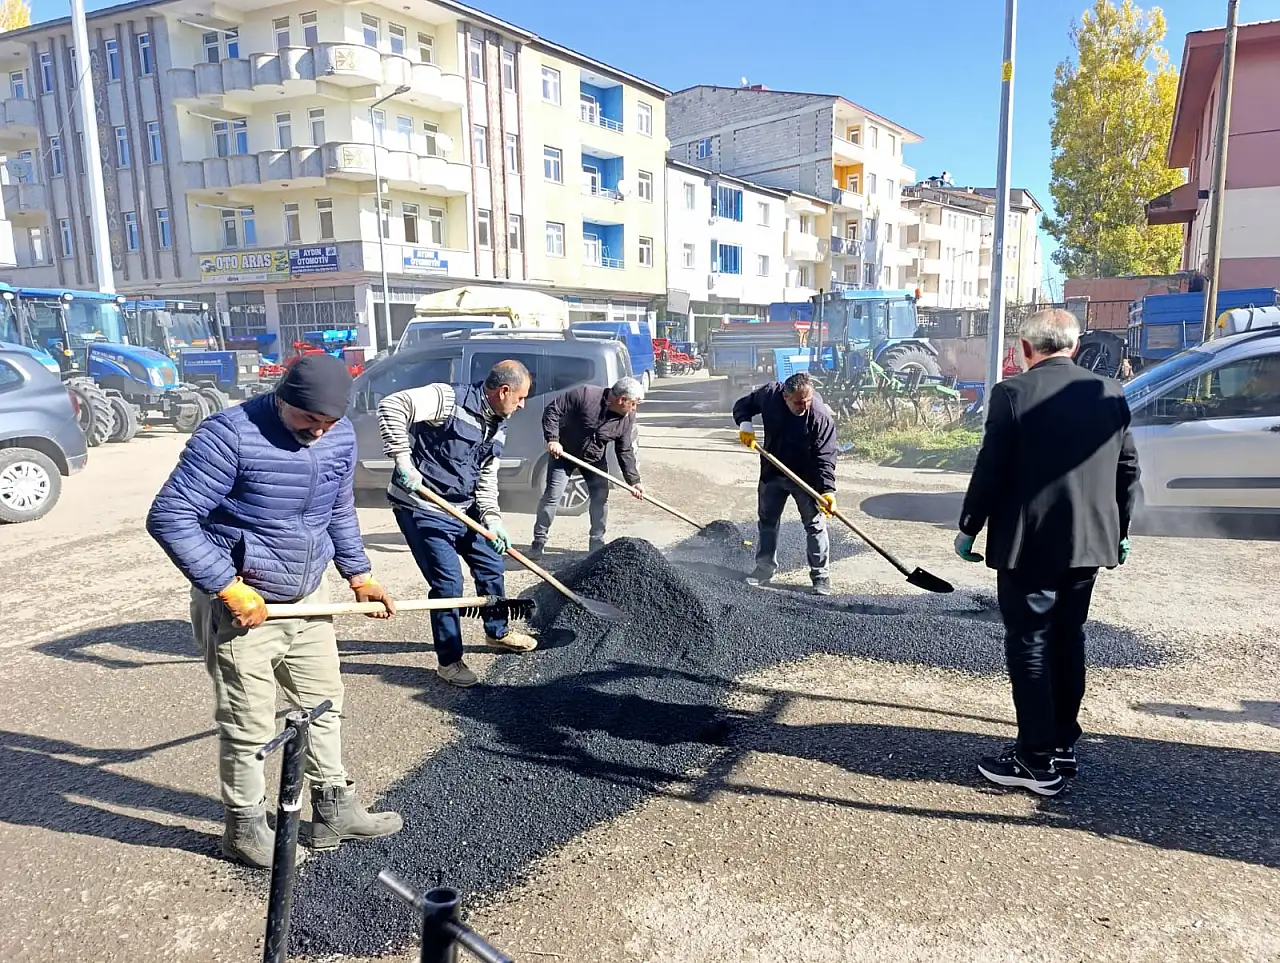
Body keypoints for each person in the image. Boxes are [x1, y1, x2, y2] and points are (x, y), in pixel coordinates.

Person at [147, 353, 403, 869]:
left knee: (324, 704)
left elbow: (337, 507)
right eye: (309, 420)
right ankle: (245, 829)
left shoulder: (339, 434)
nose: (318, 433)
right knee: (250, 723)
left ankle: (334, 808)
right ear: (282, 399)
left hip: (306, 598)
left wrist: (359, 574)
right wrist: (224, 585)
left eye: (328, 423)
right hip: (243, 606)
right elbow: (170, 515)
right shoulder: (230, 436)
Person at [955, 309, 1141, 797]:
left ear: (1025, 349)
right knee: (1067, 637)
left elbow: (991, 466)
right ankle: (1062, 744)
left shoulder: (1012, 393)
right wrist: (1122, 528)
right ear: (1074, 347)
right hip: (1088, 545)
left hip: (1028, 545)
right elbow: (1127, 469)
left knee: (1031, 643)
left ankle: (1035, 761)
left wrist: (970, 526)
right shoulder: (1110, 393)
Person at [377, 360, 538, 688]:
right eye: (520, 398)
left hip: (463, 508)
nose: (523, 405)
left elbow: (486, 478)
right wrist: (402, 461)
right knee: (448, 585)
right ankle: (449, 661)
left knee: (492, 565)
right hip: (422, 506)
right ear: (503, 391)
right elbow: (391, 405)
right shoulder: (446, 399)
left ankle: (497, 632)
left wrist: (492, 519)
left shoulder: (499, 423)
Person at [733, 371, 838, 595]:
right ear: (785, 397)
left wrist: (827, 490)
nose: (804, 406)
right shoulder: (770, 395)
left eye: (808, 400)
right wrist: (745, 424)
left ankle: (821, 577)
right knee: (768, 522)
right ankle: (764, 568)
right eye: (799, 402)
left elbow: (826, 456)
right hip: (773, 471)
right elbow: (743, 405)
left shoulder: (819, 415)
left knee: (815, 525)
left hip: (806, 479)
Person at [528, 376, 645, 558]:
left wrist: (634, 481)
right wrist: (553, 439)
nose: (634, 408)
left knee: (600, 498)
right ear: (622, 399)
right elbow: (553, 411)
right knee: (552, 496)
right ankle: (539, 541)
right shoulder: (584, 395)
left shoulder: (626, 418)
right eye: (633, 403)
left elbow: (625, 449)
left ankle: (597, 540)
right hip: (564, 454)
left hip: (594, 459)